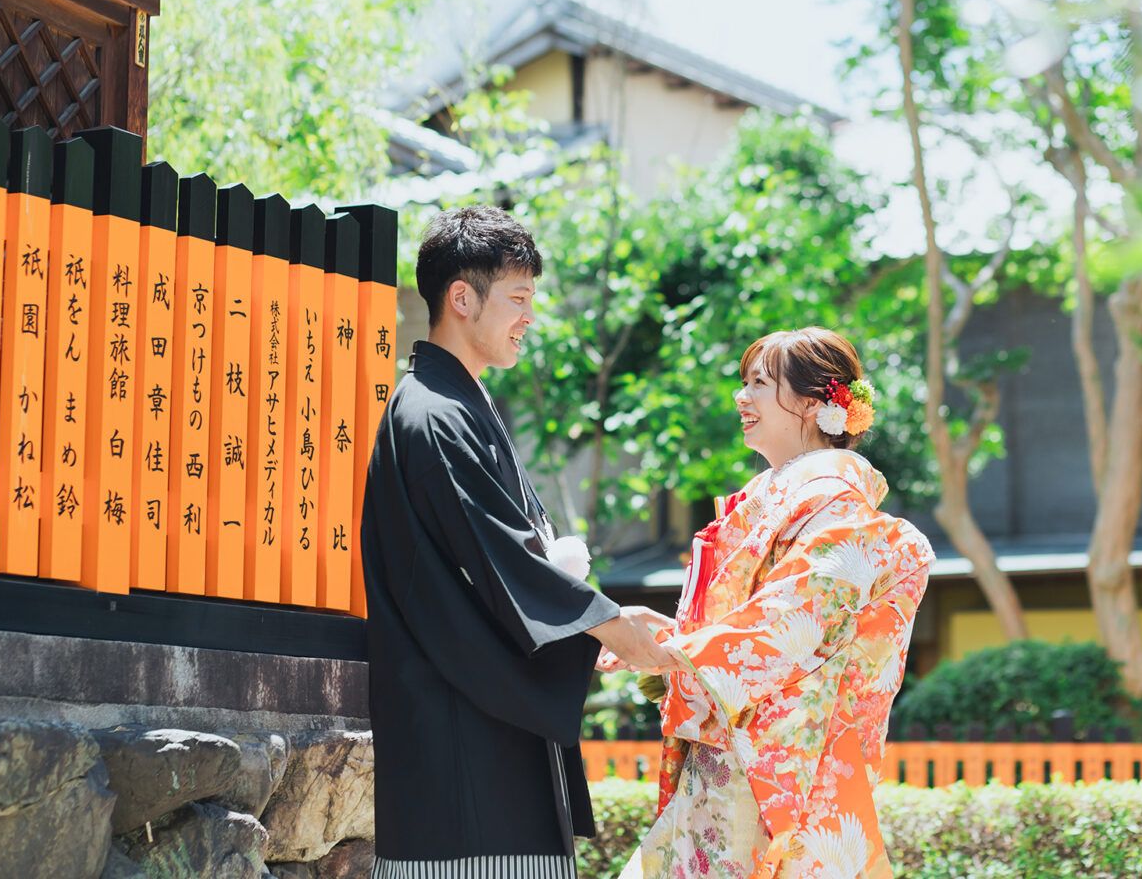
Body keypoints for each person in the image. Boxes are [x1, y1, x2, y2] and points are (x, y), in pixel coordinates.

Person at [361, 205, 676, 879]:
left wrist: (599, 626)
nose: (530, 316)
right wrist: (606, 626)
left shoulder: (457, 404)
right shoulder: (432, 413)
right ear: (462, 298)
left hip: (482, 713)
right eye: (519, 298)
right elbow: (498, 558)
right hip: (458, 731)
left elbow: (502, 562)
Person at [624, 327, 935, 879]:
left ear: (814, 405)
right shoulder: (770, 499)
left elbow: (792, 619)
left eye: (759, 384)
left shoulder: (836, 503)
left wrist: (676, 654)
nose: (742, 397)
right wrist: (671, 642)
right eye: (744, 383)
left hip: (783, 755)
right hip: (732, 742)